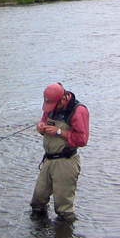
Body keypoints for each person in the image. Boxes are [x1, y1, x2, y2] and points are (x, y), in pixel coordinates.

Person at [30, 83, 89, 222]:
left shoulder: (79, 111)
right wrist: (41, 127)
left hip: (66, 162)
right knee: (37, 201)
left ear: (63, 99)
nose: (50, 109)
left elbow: (82, 140)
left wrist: (58, 132)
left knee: (64, 210)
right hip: (48, 160)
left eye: (53, 106)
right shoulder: (51, 107)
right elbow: (44, 119)